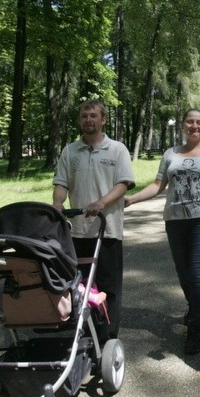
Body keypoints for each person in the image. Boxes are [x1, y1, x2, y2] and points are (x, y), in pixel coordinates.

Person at [125, 109, 200, 355]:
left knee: (196, 274)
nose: (194, 126)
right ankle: (193, 307)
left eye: (199, 122)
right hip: (175, 220)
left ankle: (196, 327)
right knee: (184, 274)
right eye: (190, 122)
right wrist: (132, 200)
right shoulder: (170, 154)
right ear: (183, 126)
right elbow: (157, 185)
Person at [52, 100, 134, 341]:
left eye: (93, 115)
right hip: (76, 232)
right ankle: (83, 336)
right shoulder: (70, 151)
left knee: (109, 289)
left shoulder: (117, 149)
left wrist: (102, 202)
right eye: (84, 116)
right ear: (79, 120)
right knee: (78, 287)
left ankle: (108, 338)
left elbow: (123, 183)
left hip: (107, 230)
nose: (88, 119)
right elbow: (61, 184)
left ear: (103, 120)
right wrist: (57, 205)